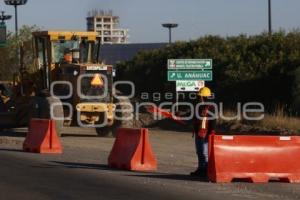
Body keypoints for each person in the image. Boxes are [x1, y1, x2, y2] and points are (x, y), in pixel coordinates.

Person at [190, 87, 216, 177]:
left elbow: (213, 120)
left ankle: (206, 170)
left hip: (206, 134)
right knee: (199, 152)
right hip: (199, 132)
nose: (199, 98)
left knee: (204, 153)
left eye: (200, 96)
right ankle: (200, 169)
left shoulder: (211, 107)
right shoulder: (199, 106)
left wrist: (212, 131)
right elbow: (193, 116)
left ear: (204, 97)